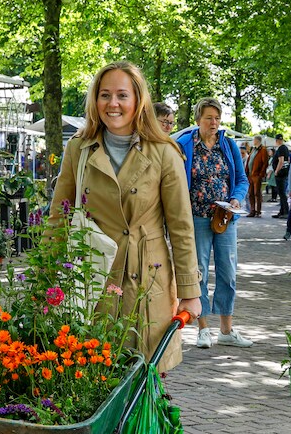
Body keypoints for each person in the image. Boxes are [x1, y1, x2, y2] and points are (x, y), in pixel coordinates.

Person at [52, 62, 202, 371]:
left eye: (122, 95)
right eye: (105, 95)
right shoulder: (79, 148)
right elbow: (58, 217)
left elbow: (181, 227)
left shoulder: (164, 152)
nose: (113, 103)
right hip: (93, 275)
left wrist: (189, 292)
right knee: (90, 373)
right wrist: (46, 279)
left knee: (144, 374)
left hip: (146, 277)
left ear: (138, 100)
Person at [175, 98, 253, 349]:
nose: (214, 123)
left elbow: (242, 179)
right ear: (198, 119)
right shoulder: (185, 145)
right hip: (197, 217)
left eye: (217, 118)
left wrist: (236, 198)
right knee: (199, 272)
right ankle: (203, 329)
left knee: (228, 273)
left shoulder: (227, 145)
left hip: (225, 218)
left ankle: (226, 331)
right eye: (209, 118)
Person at [246, 135, 270, 217]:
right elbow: (249, 160)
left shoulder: (263, 150)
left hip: (257, 175)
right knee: (250, 193)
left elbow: (265, 163)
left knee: (257, 193)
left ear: (257, 141)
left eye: (254, 140)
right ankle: (252, 210)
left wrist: (261, 174)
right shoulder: (253, 149)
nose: (253, 141)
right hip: (250, 174)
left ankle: (258, 211)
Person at [271, 134, 291, 218]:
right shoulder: (285, 148)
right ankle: (282, 211)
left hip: (281, 174)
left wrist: (276, 171)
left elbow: (281, 161)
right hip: (284, 172)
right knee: (281, 193)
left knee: (282, 193)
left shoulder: (281, 148)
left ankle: (285, 211)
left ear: (276, 140)